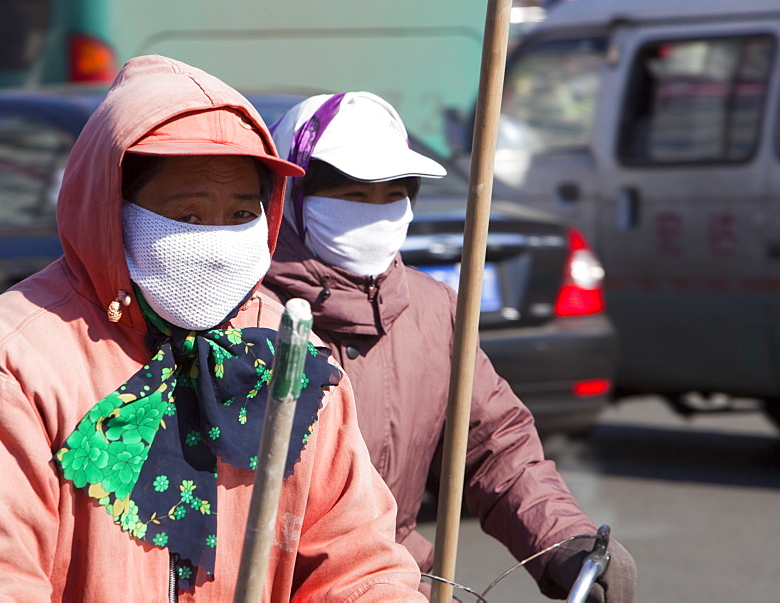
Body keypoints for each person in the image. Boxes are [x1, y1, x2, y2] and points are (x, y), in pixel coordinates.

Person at [0, 57, 426, 601]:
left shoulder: (289, 356)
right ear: (112, 209)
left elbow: (359, 566)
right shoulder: (7, 365)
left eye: (241, 214)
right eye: (190, 216)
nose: (221, 243)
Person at [262, 92, 638, 601]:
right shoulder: (247, 314)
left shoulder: (432, 309)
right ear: (292, 195)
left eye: (393, 195)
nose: (376, 214)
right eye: (353, 196)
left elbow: (495, 446)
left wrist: (563, 542)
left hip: (397, 584)